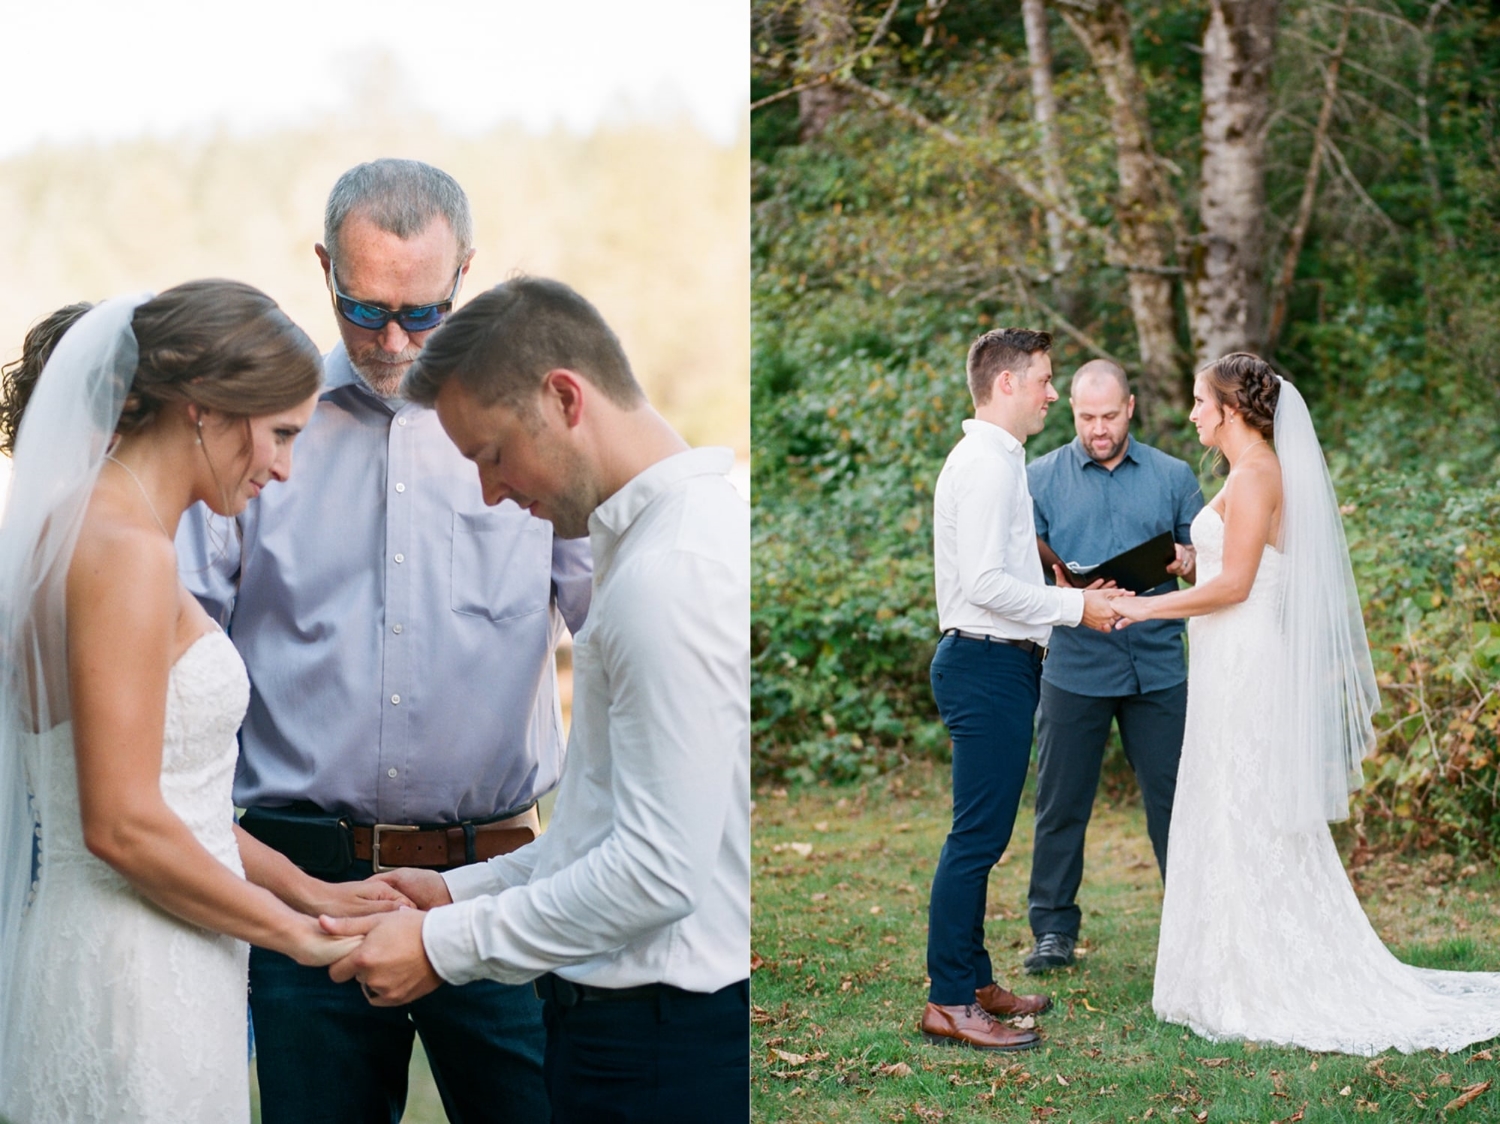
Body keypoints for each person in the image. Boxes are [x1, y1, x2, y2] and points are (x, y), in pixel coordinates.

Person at [177, 162, 590, 1123]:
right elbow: (176, 658)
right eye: (365, 310)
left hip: (488, 884)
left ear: (467, 274)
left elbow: (616, 639)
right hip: (295, 882)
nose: (395, 339)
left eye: (425, 311)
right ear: (323, 269)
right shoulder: (255, 434)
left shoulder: (534, 436)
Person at [315, 276, 750, 1123]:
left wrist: (444, 947)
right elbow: (599, 832)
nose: (489, 493)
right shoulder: (647, 549)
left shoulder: (673, 574)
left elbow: (657, 875)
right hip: (617, 1029)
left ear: (563, 398)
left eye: (491, 455)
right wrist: (454, 892)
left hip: (662, 1046)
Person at [0, 283, 417, 1124]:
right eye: (281, 435)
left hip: (137, 947)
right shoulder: (124, 553)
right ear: (204, 411)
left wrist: (313, 892)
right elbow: (119, 824)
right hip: (135, 971)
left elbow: (168, 799)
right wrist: (289, 932)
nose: (284, 468)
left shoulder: (85, 530)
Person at [1112, 352, 1500, 1054]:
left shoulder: (1260, 472)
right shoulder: (1241, 473)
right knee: (1224, 801)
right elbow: (1232, 563)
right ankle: (1219, 969)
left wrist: (1142, 611)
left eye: (1201, 402)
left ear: (1230, 408)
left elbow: (1237, 588)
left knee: (1249, 803)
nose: (1193, 412)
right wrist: (1185, 562)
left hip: (1246, 658)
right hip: (1222, 656)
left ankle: (1263, 974)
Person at [920, 328, 1127, 1052]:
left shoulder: (998, 461)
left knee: (984, 835)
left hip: (999, 661)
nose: (1050, 392)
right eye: (1043, 379)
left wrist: (1063, 585)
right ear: (1005, 383)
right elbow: (981, 585)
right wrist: (1076, 609)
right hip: (983, 665)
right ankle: (949, 999)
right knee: (975, 840)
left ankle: (975, 981)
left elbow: (1000, 570)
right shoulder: (985, 464)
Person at [1022, 359, 1203, 973]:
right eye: (1085, 417)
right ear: (1072, 410)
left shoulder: (1174, 476)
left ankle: (1194, 924)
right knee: (1060, 802)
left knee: (1175, 801)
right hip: (1073, 664)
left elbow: (1214, 566)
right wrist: (1057, 581)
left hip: (1158, 668)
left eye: (1108, 416)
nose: (1098, 429)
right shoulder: (1037, 479)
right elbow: (1018, 572)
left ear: (1130, 408)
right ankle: (1052, 930)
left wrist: (1184, 559)